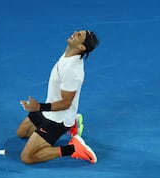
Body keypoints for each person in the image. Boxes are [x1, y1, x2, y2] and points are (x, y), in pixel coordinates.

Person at [17, 30, 99, 164]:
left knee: (27, 157)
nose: (75, 32)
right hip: (48, 110)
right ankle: (73, 122)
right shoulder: (69, 54)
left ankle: (73, 149)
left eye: (79, 35)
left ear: (81, 47)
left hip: (58, 120)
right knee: (21, 133)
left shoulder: (72, 70)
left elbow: (66, 103)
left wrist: (38, 107)